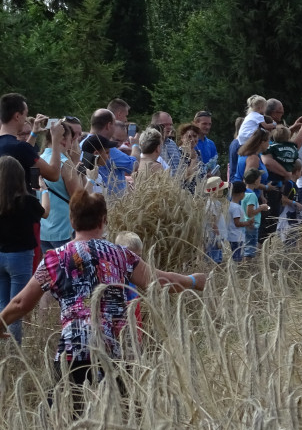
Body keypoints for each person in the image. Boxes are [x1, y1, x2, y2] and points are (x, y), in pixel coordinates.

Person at [0, 192, 207, 413]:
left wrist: (2, 321)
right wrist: (193, 280)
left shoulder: (55, 258)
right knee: (120, 417)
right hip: (112, 350)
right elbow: (160, 281)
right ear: (104, 220)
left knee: (64, 419)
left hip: (74, 348)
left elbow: (22, 302)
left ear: (72, 220)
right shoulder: (121, 255)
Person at [0, 156, 47, 344]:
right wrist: (43, 191)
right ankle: (15, 350)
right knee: (17, 306)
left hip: (0, 255)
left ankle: (3, 346)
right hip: (20, 258)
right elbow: (45, 212)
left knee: (3, 304)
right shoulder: (27, 201)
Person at [39, 120, 85, 252]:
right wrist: (75, 162)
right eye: (71, 140)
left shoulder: (39, 160)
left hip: (44, 229)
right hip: (64, 229)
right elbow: (79, 198)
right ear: (64, 140)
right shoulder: (65, 163)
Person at [0, 93, 63, 188]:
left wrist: (34, 133)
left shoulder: (11, 146)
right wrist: (55, 140)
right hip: (20, 201)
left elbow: (24, 155)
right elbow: (53, 175)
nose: (26, 118)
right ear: (17, 116)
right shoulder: (20, 147)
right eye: (25, 114)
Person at [241, 168, 269, 257]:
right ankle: (249, 267)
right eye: (259, 179)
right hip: (251, 225)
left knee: (246, 247)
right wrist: (262, 208)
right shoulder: (252, 195)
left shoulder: (244, 192)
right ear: (256, 181)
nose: (260, 181)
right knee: (250, 250)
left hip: (245, 223)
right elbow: (250, 213)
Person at [227, 182, 250, 261]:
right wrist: (248, 223)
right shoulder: (236, 207)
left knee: (236, 256)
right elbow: (237, 223)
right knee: (237, 258)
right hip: (237, 237)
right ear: (241, 194)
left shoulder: (230, 205)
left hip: (232, 235)